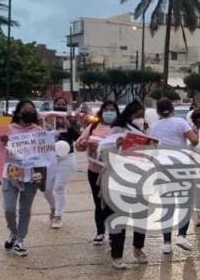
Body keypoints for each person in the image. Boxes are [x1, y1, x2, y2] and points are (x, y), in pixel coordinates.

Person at [104, 100, 153, 269]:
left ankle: (138, 248)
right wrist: (116, 145)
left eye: (143, 115)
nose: (141, 118)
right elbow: (104, 149)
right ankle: (116, 255)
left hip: (141, 177)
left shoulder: (145, 128)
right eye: (138, 115)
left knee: (141, 216)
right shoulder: (118, 128)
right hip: (120, 177)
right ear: (131, 114)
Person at [149, 98, 199, 253]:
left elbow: (152, 148)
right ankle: (182, 236)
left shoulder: (154, 127)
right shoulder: (180, 122)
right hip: (182, 166)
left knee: (167, 204)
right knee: (185, 202)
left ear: (157, 112)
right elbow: (194, 140)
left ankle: (166, 243)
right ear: (173, 109)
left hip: (163, 168)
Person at [3, 100, 46, 257]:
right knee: (9, 209)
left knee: (25, 210)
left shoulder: (39, 130)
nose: (29, 112)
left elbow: (45, 153)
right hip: (11, 173)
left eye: (32, 110)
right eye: (26, 109)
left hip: (31, 174)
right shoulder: (8, 129)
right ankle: (13, 233)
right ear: (18, 112)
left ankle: (20, 240)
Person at [76, 101, 119, 245]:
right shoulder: (93, 126)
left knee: (112, 203)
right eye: (106, 109)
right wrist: (83, 143)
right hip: (95, 170)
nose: (109, 112)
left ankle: (114, 234)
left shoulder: (121, 128)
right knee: (98, 202)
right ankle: (100, 232)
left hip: (114, 172)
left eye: (112, 110)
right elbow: (79, 144)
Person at [42, 96, 81, 229]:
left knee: (58, 187)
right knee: (46, 189)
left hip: (66, 158)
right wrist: (45, 128)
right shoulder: (47, 119)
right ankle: (53, 207)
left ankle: (58, 215)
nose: (60, 106)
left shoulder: (71, 120)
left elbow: (78, 138)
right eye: (58, 104)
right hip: (50, 159)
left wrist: (69, 127)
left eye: (63, 104)